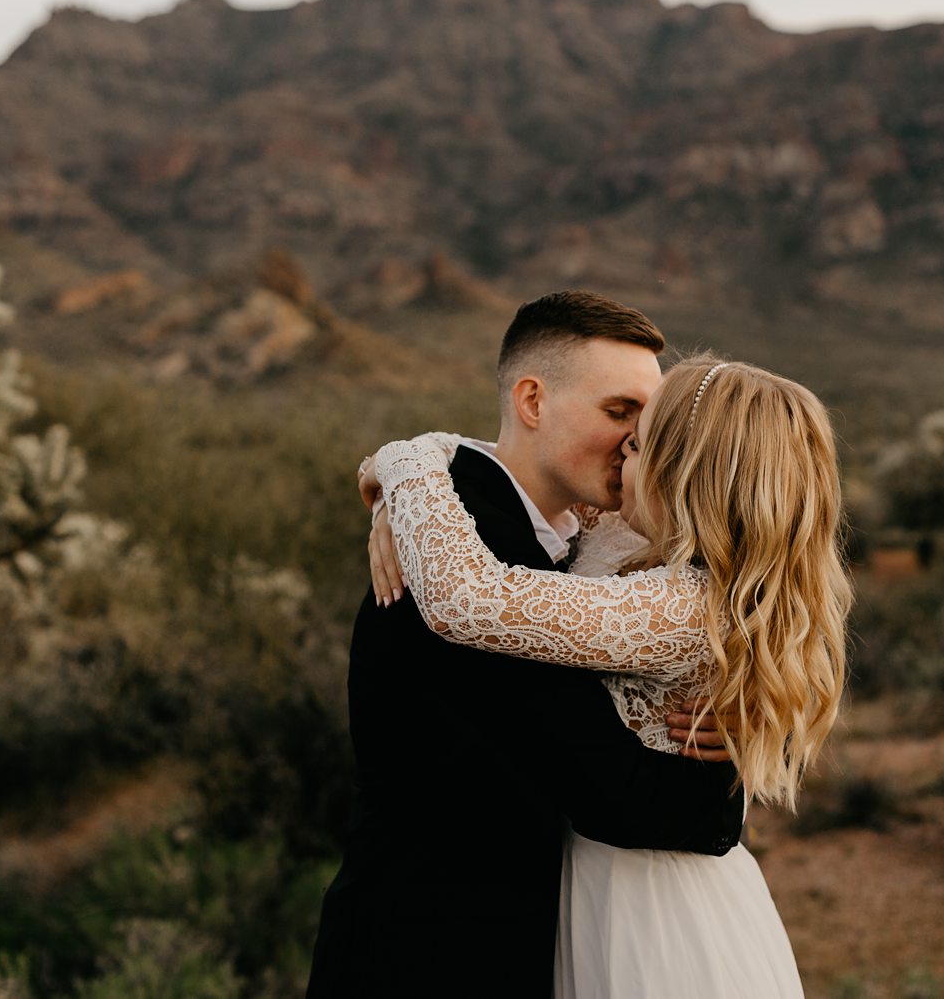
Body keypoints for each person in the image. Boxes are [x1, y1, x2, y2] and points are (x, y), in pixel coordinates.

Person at [363, 356, 853, 998]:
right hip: (601, 877)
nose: (621, 459)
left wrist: (402, 463)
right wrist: (402, 501)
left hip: (650, 905)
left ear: (683, 476)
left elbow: (467, 598)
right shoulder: (635, 545)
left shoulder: (685, 605)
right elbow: (519, 474)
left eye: (639, 444)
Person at [305, 293, 746, 999]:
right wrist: (723, 788)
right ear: (533, 401)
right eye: (619, 412)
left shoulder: (566, 537)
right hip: (426, 958)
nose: (641, 442)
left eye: (651, 419)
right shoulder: (462, 550)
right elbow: (625, 797)